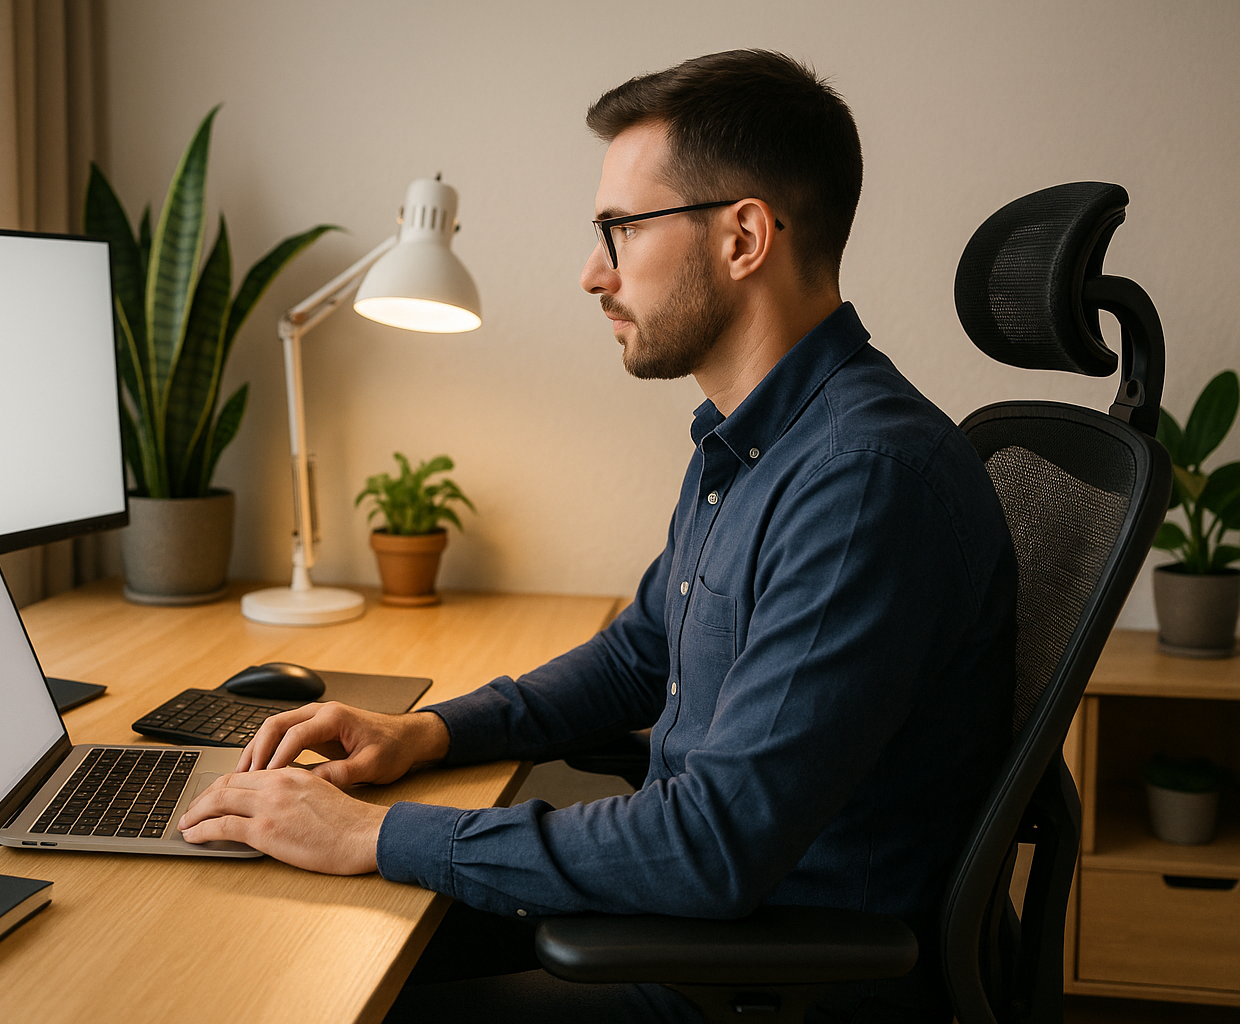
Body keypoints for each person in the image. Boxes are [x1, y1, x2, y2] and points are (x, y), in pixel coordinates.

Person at [178, 49, 1015, 1024]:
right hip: (696, 923)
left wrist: (374, 834)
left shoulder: (861, 482)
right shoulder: (751, 440)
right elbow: (637, 654)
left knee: (310, 993)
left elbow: (713, 846)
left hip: (769, 977)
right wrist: (426, 733)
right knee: (276, 931)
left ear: (744, 237)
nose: (592, 273)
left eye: (621, 229)